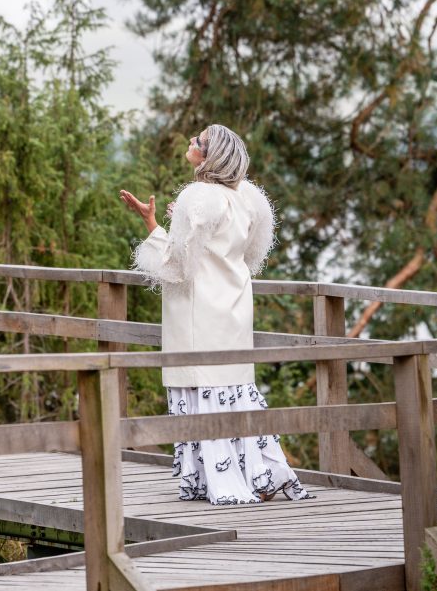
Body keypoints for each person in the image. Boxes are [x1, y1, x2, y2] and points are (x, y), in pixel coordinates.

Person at [119, 124, 312, 506]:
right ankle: (260, 474)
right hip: (235, 307)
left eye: (199, 142)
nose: (191, 142)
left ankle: (218, 480)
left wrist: (152, 226)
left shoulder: (197, 196)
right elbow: (243, 255)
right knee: (234, 391)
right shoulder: (246, 199)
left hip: (199, 313)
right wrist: (171, 223)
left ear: (210, 156)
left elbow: (175, 267)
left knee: (202, 388)